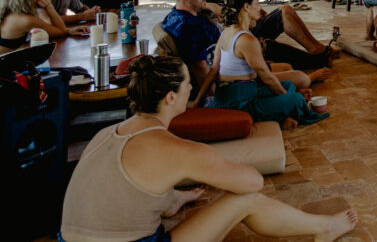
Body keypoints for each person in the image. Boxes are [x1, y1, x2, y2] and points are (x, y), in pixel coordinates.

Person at [60, 55, 357, 242]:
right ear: (170, 98)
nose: (192, 89)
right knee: (246, 199)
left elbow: (128, 186)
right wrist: (214, 165)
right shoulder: (177, 150)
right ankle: (324, 228)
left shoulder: (104, 134)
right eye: (188, 84)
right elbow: (252, 182)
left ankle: (173, 200)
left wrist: (177, 193)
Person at [192, 0, 325, 127]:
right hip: (239, 103)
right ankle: (280, 116)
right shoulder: (247, 40)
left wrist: (197, 102)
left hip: (228, 97)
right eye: (257, 3)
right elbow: (267, 77)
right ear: (246, 7)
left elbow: (213, 70)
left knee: (289, 85)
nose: (260, 8)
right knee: (295, 99)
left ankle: (281, 113)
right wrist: (286, 97)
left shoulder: (227, 32)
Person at [210, 0, 335, 68]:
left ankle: (317, 48)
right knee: (270, 42)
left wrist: (257, 13)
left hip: (249, 29)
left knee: (286, 9)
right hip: (243, 35)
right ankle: (318, 57)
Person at [161, 0, 223, 90]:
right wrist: (212, 94)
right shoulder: (191, 27)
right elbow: (200, 67)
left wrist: (207, 6)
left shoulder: (173, 16)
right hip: (220, 82)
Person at [0, 0, 89, 52]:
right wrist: (49, 7)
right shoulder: (26, 20)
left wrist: (69, 30)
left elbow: (49, 25)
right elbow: (61, 31)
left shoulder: (11, 11)